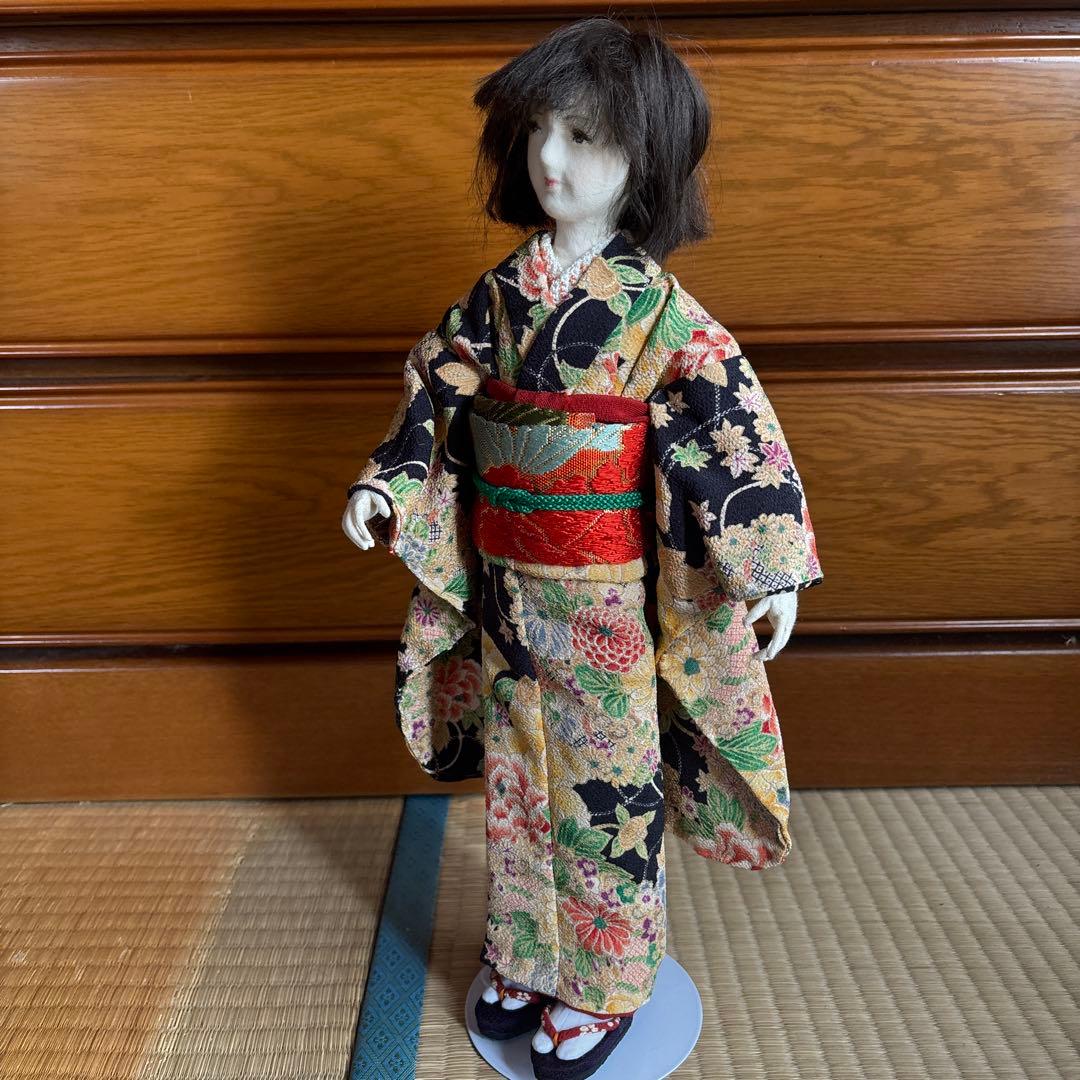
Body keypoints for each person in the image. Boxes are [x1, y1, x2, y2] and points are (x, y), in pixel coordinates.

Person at [342, 15, 823, 1079]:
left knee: (607, 784)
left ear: (644, 157)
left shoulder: (662, 314)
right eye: (538, 131)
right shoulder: (501, 296)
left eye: (585, 136)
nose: (550, 158)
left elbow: (728, 425)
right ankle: (525, 958)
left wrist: (769, 565)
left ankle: (604, 982)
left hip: (606, 598)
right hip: (508, 586)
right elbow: (438, 381)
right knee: (520, 775)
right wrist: (389, 479)